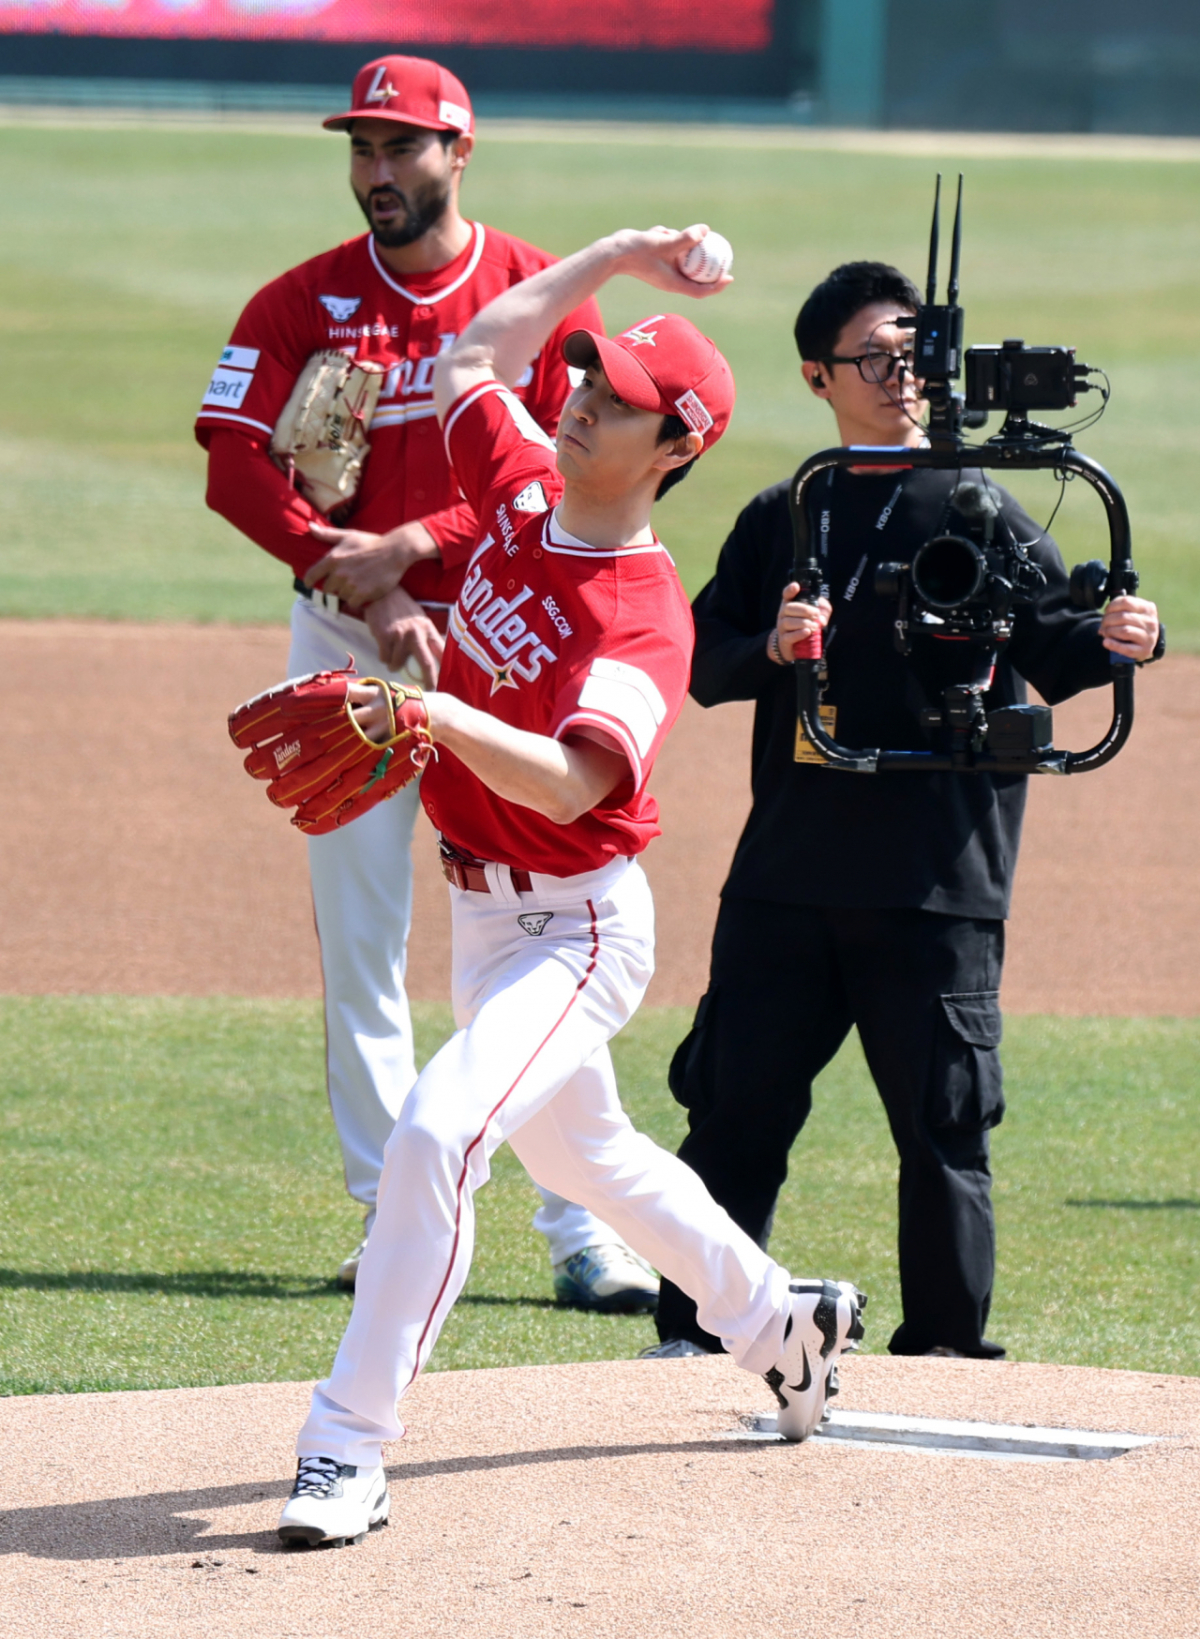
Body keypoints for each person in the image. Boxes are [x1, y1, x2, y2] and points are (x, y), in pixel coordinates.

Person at [274, 225, 867, 1548]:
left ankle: (345, 1440)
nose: (586, 393)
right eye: (592, 372)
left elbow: (571, 784)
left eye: (623, 397)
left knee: (435, 1136)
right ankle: (782, 1321)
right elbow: (475, 355)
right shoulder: (521, 485)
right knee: (588, 1155)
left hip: (577, 925)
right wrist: (618, 254)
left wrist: (430, 715)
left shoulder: (643, 616)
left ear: (675, 447)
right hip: (486, 912)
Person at [197, 53, 657, 1311]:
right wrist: (360, 580)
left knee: (542, 918)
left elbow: (570, 474)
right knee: (361, 933)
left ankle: (583, 1230)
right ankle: (386, 1212)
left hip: (505, 641)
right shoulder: (301, 301)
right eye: (363, 147)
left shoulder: (525, 294)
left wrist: (416, 546)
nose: (378, 170)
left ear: (460, 151)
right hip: (349, 641)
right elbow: (232, 463)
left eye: (402, 146)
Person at [649, 260, 1162, 1363]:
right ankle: (691, 1341)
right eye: (876, 357)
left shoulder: (983, 502)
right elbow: (699, 659)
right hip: (788, 878)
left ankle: (946, 1358)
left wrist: (1123, 636)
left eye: (917, 353)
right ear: (817, 376)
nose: (904, 375)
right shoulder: (787, 512)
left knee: (944, 1132)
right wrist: (773, 645)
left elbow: (1057, 648)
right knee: (734, 1118)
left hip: (939, 881)